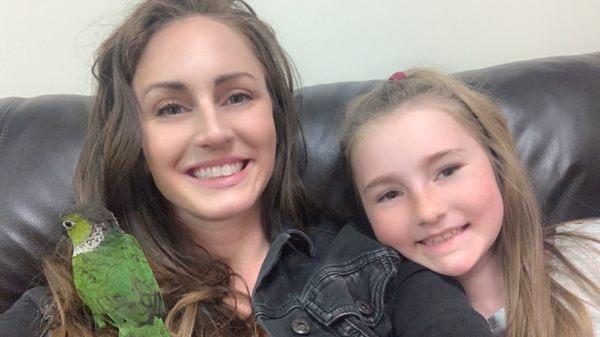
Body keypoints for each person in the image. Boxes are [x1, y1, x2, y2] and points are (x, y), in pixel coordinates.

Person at [0, 2, 496, 337]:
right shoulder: (66, 299)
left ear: (275, 116)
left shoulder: (377, 271)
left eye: (237, 96)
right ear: (134, 137)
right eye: (171, 108)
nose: (213, 132)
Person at [341, 69, 600, 337]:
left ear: (497, 162)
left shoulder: (591, 254)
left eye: (448, 171)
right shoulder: (368, 324)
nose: (428, 212)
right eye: (390, 195)